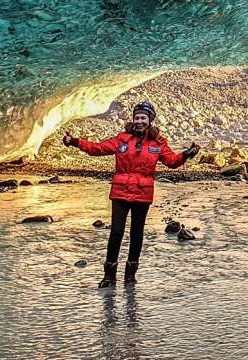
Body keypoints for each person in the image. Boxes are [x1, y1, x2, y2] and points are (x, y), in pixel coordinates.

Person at [62, 100, 199, 287]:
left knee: (137, 234)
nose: (139, 121)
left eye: (143, 118)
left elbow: (172, 162)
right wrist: (76, 142)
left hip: (143, 194)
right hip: (120, 192)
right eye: (137, 117)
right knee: (116, 232)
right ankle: (109, 275)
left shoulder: (158, 143)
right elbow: (98, 149)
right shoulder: (122, 139)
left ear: (150, 120)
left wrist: (187, 154)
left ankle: (130, 276)